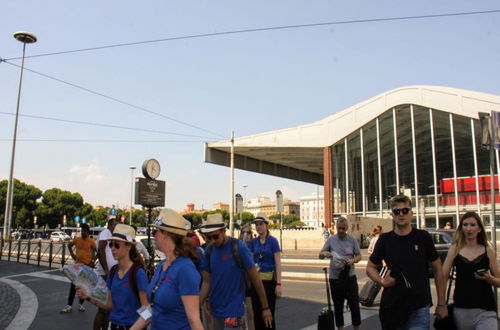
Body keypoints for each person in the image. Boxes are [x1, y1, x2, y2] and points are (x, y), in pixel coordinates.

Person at [366, 194, 447, 329]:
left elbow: (438, 269)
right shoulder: (385, 239)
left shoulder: (423, 237)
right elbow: (370, 267)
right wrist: (381, 281)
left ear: (411, 214)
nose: (401, 214)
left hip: (419, 306)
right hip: (392, 307)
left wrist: (442, 304)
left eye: (405, 210)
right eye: (397, 211)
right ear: (392, 214)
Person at [130, 208, 203, 330]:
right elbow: (152, 308)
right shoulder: (161, 266)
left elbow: (194, 320)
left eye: (155, 232)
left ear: (166, 235)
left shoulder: (185, 269)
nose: (153, 236)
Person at [200, 213, 273, 330]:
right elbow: (206, 283)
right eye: (208, 238)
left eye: (215, 236)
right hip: (216, 311)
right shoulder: (209, 251)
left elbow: (255, 279)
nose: (212, 241)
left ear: (224, 231)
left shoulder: (238, 247)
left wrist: (265, 308)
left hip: (235, 311)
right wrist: (194, 308)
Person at [79, 224, 149, 330]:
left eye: (117, 245)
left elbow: (147, 311)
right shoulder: (113, 272)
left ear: (128, 246)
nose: (112, 248)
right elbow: (109, 304)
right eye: (110, 244)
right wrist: (88, 296)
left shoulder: (138, 273)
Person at [442, 211, 499, 330]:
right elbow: (443, 277)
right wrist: (441, 304)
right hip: (462, 309)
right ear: (461, 228)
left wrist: (490, 279)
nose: (469, 228)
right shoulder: (455, 248)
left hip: (486, 309)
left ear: (479, 229)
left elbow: (499, 280)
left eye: (472, 225)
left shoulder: (487, 250)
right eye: (465, 225)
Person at [319, 216, 362, 330]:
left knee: (354, 305)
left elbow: (359, 256)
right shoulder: (331, 239)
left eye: (343, 228)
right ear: (336, 227)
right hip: (335, 278)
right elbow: (320, 254)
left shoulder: (352, 240)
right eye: (339, 228)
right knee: (338, 306)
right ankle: (340, 328)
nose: (341, 231)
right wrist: (325, 254)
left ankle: (356, 328)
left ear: (347, 227)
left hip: (350, 277)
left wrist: (352, 260)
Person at [248, 216, 281, 330]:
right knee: (257, 314)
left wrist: (279, 284)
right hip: (256, 282)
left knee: (269, 313)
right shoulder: (253, 242)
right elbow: (250, 260)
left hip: (269, 282)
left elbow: (277, 263)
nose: (258, 227)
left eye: (261, 224)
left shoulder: (273, 241)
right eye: (256, 224)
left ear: (266, 225)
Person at [60, 223, 96, 313]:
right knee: (73, 286)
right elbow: (69, 245)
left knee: (83, 286)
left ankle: (81, 304)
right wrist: (72, 255)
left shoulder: (91, 241)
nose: (83, 232)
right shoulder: (77, 239)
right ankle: (69, 305)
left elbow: (95, 251)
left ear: (88, 232)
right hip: (77, 266)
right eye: (82, 231)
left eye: (84, 231)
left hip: (86, 267)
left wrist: (92, 261)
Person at [94, 217, 119, 330]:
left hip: (109, 274)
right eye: (115, 225)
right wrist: (107, 270)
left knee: (107, 309)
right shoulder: (106, 232)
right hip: (105, 274)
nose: (116, 227)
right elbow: (101, 250)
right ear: (110, 225)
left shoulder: (111, 235)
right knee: (103, 309)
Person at [239, 224, 255, 330]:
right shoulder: (238, 247)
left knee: (250, 313)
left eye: (248, 232)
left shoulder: (254, 246)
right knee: (240, 315)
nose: (246, 235)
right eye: (244, 232)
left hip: (250, 283)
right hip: (240, 283)